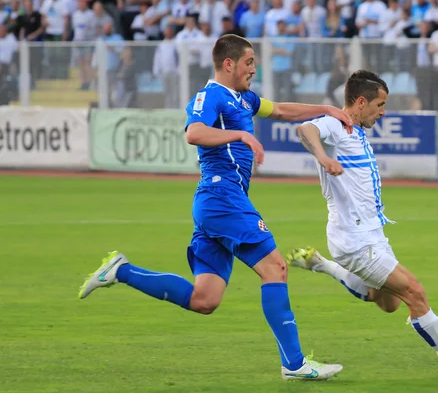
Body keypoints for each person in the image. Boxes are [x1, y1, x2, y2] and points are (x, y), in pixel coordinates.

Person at [78, 34, 354, 381]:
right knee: (276, 268)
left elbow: (282, 110)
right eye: (249, 62)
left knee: (204, 300)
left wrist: (326, 109)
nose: (254, 68)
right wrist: (240, 136)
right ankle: (295, 364)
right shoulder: (211, 96)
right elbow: (194, 133)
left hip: (216, 203)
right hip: (222, 197)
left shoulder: (243, 99)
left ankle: (122, 271)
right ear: (229, 64)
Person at [287, 70, 438, 376]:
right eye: (379, 105)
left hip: (370, 234)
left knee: (387, 303)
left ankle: (322, 265)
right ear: (360, 102)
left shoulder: (357, 131)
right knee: (414, 292)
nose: (383, 112)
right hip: (354, 238)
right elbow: (304, 130)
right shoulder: (337, 125)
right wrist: (323, 159)